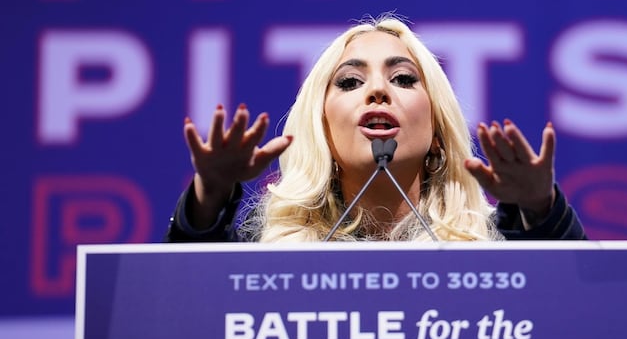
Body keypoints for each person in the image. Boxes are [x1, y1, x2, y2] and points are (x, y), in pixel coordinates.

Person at [166, 15, 585, 242]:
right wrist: (211, 195)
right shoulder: (264, 255)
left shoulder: (497, 252)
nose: (379, 90)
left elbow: (583, 321)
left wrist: (540, 209)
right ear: (322, 128)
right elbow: (181, 316)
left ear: (437, 132)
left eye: (403, 79)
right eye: (350, 82)